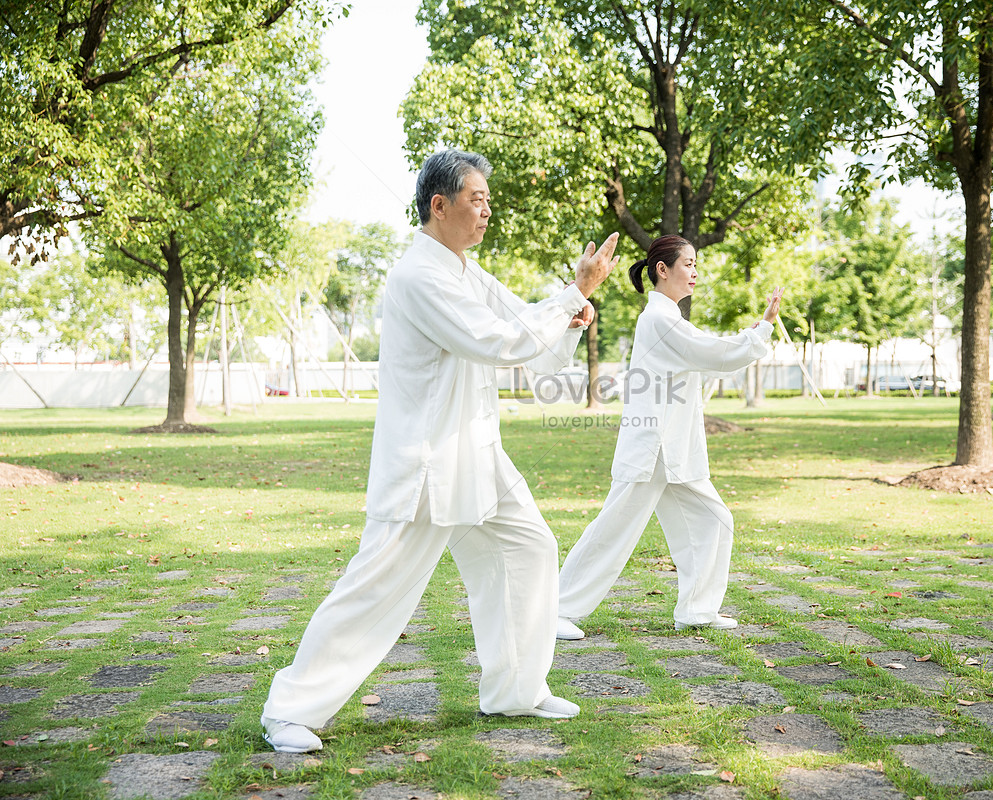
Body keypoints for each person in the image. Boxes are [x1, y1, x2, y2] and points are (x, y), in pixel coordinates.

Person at [260, 149, 619, 753]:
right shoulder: (418, 276)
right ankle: (290, 710)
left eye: (487, 203)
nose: (486, 214)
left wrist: (571, 313)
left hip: (478, 452)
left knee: (531, 547)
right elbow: (498, 340)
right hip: (425, 461)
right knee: (377, 586)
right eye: (476, 201)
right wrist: (570, 295)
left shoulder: (465, 271)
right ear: (438, 205)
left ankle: (514, 690)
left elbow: (525, 328)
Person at [556, 235, 782, 640]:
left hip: (670, 449)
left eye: (697, 265)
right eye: (688, 264)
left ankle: (697, 609)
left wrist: (747, 339)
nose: (695, 273)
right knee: (614, 529)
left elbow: (704, 359)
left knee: (714, 520)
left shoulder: (669, 319)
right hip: (654, 447)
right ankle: (556, 609)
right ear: (663, 270)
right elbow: (712, 353)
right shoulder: (660, 319)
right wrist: (760, 332)